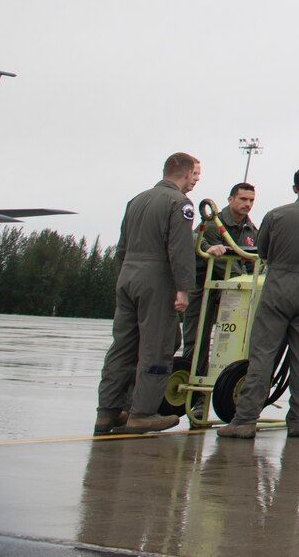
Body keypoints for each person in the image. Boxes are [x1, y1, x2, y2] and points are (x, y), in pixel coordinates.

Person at [216, 167, 299, 440]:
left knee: (263, 354)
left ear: (294, 188)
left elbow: (263, 250)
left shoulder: (276, 215)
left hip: (279, 284)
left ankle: (245, 419)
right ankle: (298, 422)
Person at [94, 152, 201, 434]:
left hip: (128, 276)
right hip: (157, 279)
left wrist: (122, 281)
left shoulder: (137, 200)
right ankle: (142, 414)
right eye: (196, 175)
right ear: (186, 173)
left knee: (122, 348)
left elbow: (121, 247)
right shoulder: (180, 204)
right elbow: (179, 250)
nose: (196, 180)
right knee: (157, 347)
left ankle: (107, 412)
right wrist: (183, 289)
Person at [182, 180, 258, 365]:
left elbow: (251, 260)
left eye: (251, 200)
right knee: (197, 337)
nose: (247, 204)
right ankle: (192, 377)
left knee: (237, 335)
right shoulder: (213, 224)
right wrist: (245, 279)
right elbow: (217, 259)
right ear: (231, 199)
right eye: (243, 199)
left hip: (234, 287)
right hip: (203, 284)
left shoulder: (251, 230)